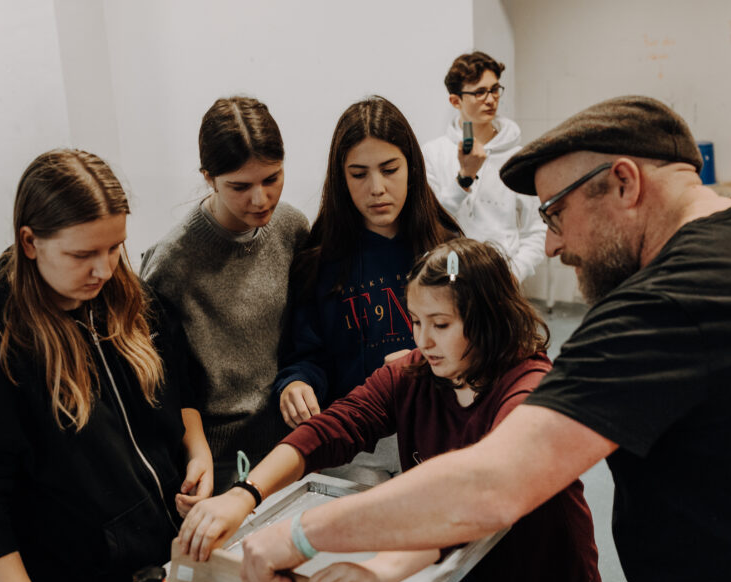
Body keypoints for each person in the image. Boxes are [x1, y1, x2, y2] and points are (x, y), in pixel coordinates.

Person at [238, 96, 731, 582]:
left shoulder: (665, 306)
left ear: (624, 183)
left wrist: (299, 535)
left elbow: (492, 485)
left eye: (554, 212)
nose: (550, 244)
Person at [181, 238, 601, 582]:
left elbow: (472, 501)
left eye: (441, 324)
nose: (423, 340)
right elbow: (332, 428)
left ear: (487, 318)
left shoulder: (529, 389)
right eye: (416, 321)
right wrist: (246, 493)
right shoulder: (416, 372)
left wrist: (377, 568)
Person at [0, 149, 213, 582]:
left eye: (115, 248)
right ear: (30, 242)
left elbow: (181, 383)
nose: (103, 269)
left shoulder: (127, 298)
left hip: (168, 561)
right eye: (82, 254)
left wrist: (197, 449)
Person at [273, 96, 460, 481]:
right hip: (356, 448)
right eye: (359, 174)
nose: (377, 188)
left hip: (438, 437)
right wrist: (296, 383)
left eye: (389, 170)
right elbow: (307, 355)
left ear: (412, 167)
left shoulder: (450, 251)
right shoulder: (319, 262)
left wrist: (422, 365)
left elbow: (480, 349)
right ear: (341, 179)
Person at [141, 96, 310, 496]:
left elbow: (310, 335)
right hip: (217, 463)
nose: (260, 199)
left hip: (294, 442)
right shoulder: (170, 264)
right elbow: (165, 384)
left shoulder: (292, 229)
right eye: (240, 186)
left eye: (272, 179)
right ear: (209, 178)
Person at [422, 51, 545, 282]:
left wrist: (515, 273)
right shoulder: (433, 153)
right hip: (449, 276)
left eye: (495, 89)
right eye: (479, 92)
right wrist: (464, 177)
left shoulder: (518, 157)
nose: (490, 99)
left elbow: (537, 229)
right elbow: (430, 223)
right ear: (455, 101)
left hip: (501, 278)